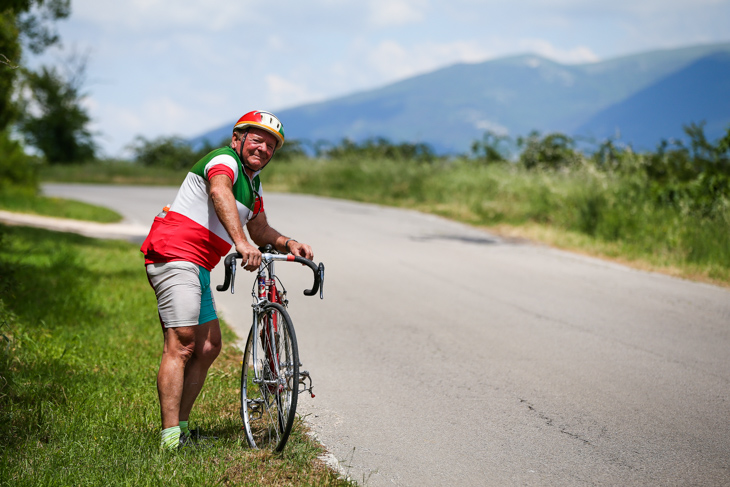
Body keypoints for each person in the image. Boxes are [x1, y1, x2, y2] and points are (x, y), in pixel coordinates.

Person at [140, 110, 314, 450]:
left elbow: (260, 228)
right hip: (175, 254)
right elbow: (219, 192)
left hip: (198, 264)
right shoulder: (224, 161)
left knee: (207, 347)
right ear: (238, 139)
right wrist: (241, 243)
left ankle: (183, 429)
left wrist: (289, 243)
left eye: (271, 146)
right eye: (257, 140)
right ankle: (170, 438)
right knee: (184, 343)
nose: (263, 149)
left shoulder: (252, 183)